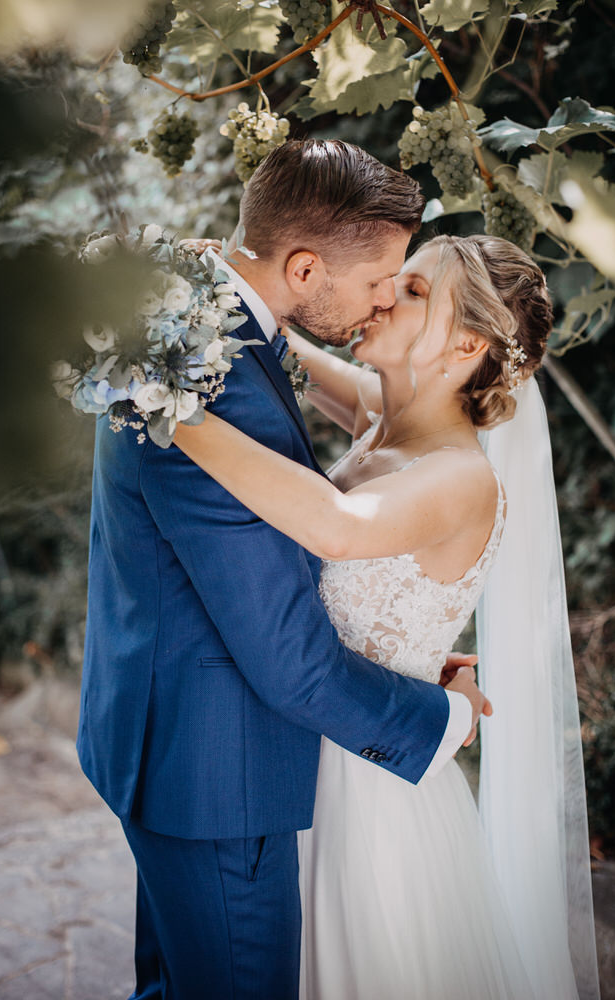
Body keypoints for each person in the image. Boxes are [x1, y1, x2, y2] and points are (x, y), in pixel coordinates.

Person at [77, 140, 492, 1000]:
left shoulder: (199, 334)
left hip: (180, 738)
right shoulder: (195, 383)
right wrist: (439, 721)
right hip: (218, 769)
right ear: (304, 269)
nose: (384, 297)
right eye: (384, 278)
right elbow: (290, 649)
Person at [174, 232, 601, 999]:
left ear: (464, 343)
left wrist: (163, 406)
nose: (380, 297)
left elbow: (335, 526)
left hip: (369, 792)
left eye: (409, 292)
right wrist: (220, 280)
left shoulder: (460, 477)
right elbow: (284, 361)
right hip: (307, 744)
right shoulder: (381, 416)